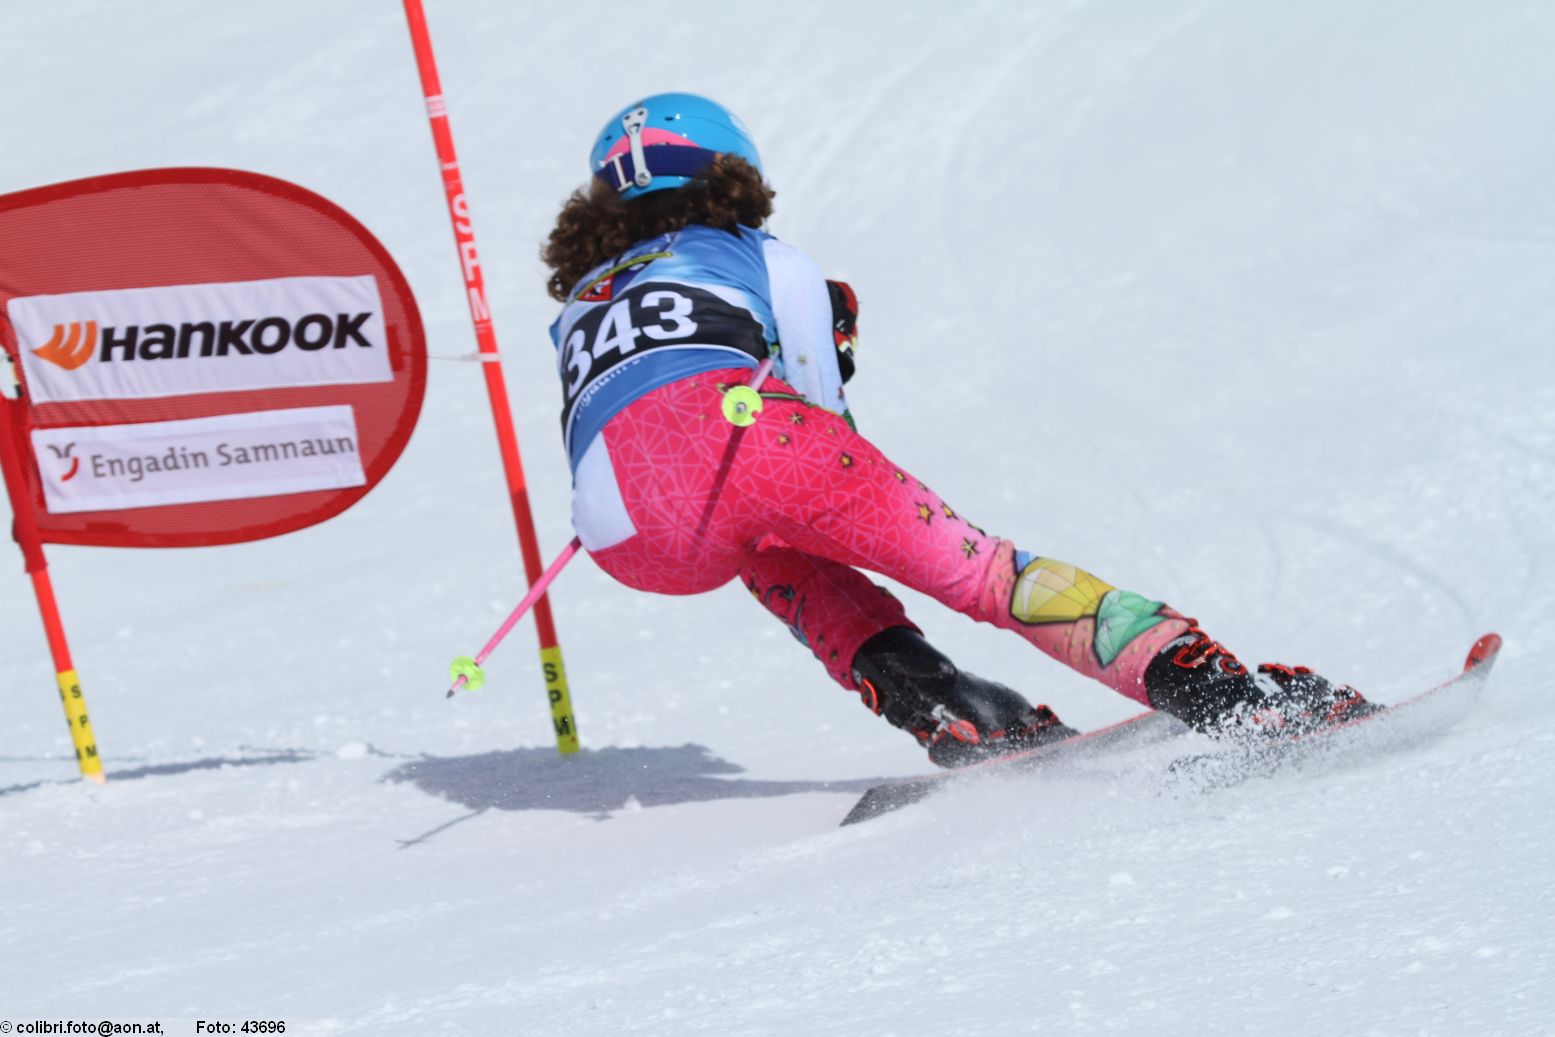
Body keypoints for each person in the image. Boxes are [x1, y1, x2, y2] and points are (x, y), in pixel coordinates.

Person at [541, 92, 1376, 767]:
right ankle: (1222, 696)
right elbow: (821, 407)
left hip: (618, 529)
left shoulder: (579, 299)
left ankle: (941, 704)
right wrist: (835, 351)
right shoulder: (761, 257)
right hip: (766, 450)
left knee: (765, 543)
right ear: (733, 172)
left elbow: (622, 417)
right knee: (979, 573)